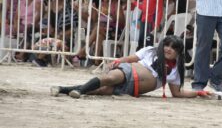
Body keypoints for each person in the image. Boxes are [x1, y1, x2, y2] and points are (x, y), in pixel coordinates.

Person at [50, 35, 212, 99]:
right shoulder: (150, 51)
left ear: (178, 53)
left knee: (102, 91)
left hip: (131, 90)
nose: (168, 49)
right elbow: (131, 58)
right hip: (129, 71)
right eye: (166, 45)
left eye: (173, 48)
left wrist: (197, 92)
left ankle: (63, 89)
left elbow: (177, 93)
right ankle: (78, 91)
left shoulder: (176, 70)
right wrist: (118, 61)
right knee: (110, 78)